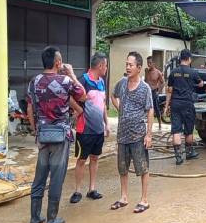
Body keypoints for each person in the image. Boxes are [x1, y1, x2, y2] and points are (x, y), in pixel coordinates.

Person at [27, 46, 86, 223]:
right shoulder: (66, 81)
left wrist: (35, 129)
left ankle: (35, 218)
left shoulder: (34, 81)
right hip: (60, 136)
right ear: (58, 62)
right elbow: (83, 95)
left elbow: (29, 108)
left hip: (43, 135)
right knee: (56, 178)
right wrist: (72, 74)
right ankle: (51, 218)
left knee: (39, 177)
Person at [110, 51, 154, 213]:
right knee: (123, 168)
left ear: (139, 68)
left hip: (138, 135)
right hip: (122, 134)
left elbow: (150, 111)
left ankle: (144, 199)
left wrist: (149, 135)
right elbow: (113, 96)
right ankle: (124, 197)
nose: (128, 67)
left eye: (131, 65)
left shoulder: (145, 89)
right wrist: (120, 109)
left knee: (142, 168)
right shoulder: (122, 83)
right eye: (126, 64)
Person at [69, 52, 109, 204]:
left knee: (95, 158)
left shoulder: (101, 82)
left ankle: (91, 189)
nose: (106, 68)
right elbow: (70, 97)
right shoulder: (82, 81)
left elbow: (103, 104)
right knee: (81, 160)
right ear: (100, 66)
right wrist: (78, 111)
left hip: (98, 129)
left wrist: (106, 124)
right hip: (84, 129)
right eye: (105, 65)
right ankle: (77, 190)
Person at [164, 49, 203, 165]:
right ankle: (189, 153)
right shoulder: (192, 72)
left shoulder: (173, 72)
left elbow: (169, 91)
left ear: (180, 58)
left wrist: (166, 106)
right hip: (187, 104)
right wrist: (198, 83)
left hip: (175, 104)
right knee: (189, 130)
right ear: (189, 59)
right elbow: (201, 83)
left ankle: (178, 157)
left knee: (176, 130)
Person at [145, 56, 165, 130]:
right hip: (147, 92)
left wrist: (158, 91)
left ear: (154, 63)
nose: (149, 64)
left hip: (154, 92)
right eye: (148, 63)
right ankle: (148, 123)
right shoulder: (147, 71)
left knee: (156, 108)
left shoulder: (158, 72)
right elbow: (145, 81)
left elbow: (163, 83)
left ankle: (160, 124)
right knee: (147, 108)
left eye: (150, 63)